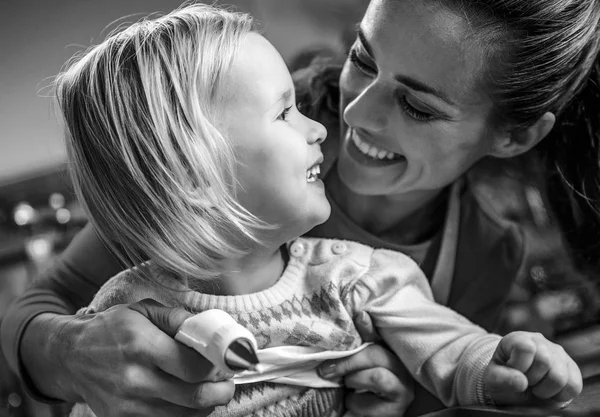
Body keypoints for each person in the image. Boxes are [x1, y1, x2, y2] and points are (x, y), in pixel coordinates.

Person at [1, 0, 599, 415]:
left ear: (513, 137)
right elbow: (39, 306)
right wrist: (68, 353)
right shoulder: (222, 161)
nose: (354, 113)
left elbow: (453, 368)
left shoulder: (486, 254)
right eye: (362, 59)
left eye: (416, 105)